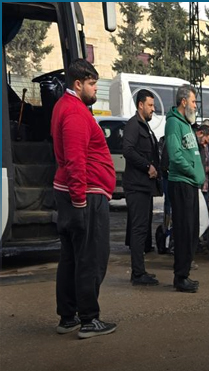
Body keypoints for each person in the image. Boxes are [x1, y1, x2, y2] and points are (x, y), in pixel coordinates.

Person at [52, 59, 117, 339]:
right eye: (92, 84)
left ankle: (68, 317)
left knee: (71, 258)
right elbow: (76, 160)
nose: (95, 90)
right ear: (78, 84)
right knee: (90, 257)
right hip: (85, 195)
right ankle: (89, 319)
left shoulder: (63, 107)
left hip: (74, 193)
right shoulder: (76, 112)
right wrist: (80, 201)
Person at [166, 84, 205, 293]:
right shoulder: (174, 123)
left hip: (190, 184)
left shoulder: (187, 123)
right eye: (193, 101)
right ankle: (180, 277)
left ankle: (185, 273)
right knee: (183, 231)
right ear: (183, 102)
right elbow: (175, 155)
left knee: (192, 231)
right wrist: (192, 170)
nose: (195, 105)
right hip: (181, 183)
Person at [122, 88, 160, 287]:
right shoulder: (133, 125)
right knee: (138, 230)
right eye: (150, 105)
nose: (153, 109)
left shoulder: (146, 127)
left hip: (145, 187)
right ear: (140, 105)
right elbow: (127, 150)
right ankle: (137, 273)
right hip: (136, 186)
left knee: (142, 229)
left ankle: (140, 271)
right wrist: (147, 166)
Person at [196, 125, 209, 192]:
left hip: (203, 184)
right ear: (201, 134)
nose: (205, 145)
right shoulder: (194, 147)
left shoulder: (203, 148)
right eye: (205, 141)